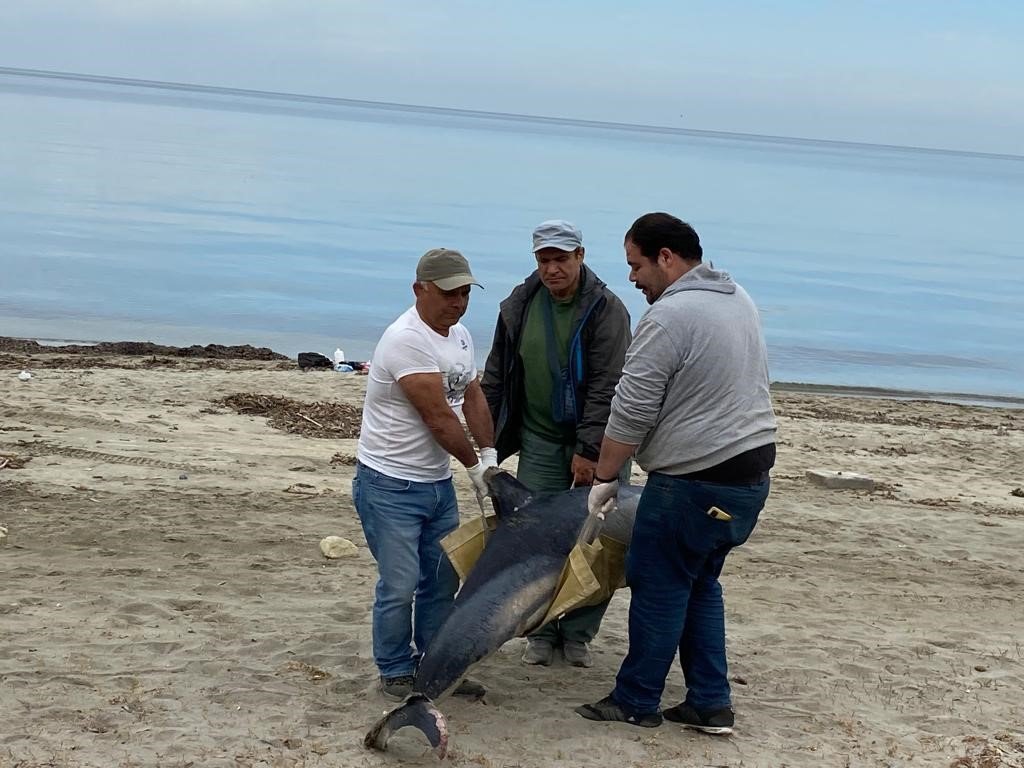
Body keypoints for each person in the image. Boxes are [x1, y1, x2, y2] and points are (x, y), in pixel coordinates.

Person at [575, 212, 777, 735]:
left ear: (667, 258)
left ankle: (636, 699)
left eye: (636, 265)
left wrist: (606, 478)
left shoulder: (669, 317)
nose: (632, 278)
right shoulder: (738, 298)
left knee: (659, 584)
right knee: (699, 583)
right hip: (750, 476)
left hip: (694, 480)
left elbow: (631, 408)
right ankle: (710, 704)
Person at [481, 219, 631, 668]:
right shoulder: (519, 304)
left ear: (580, 256)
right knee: (536, 536)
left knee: (598, 539)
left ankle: (579, 632)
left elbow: (610, 385)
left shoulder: (608, 309)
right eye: (544, 260)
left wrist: (589, 451)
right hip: (539, 438)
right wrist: (486, 440)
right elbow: (497, 373)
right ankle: (541, 632)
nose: (552, 269)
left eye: (561, 259)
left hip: (599, 442)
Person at [353, 247, 498, 701]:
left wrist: (490, 452)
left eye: (465, 294)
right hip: (389, 483)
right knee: (399, 583)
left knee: (441, 580)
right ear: (420, 289)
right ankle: (396, 669)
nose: (458, 303)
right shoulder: (406, 340)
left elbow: (471, 395)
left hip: (435, 485)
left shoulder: (459, 336)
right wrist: (474, 468)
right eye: (449, 293)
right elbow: (437, 416)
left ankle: (434, 663)